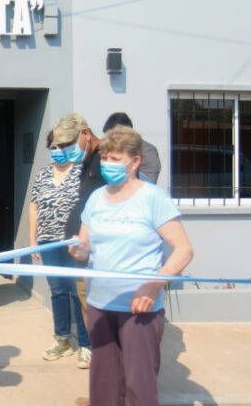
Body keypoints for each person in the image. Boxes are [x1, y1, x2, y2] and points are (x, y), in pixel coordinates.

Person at [69, 126, 193, 406]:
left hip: (140, 307)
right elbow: (85, 246)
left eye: (115, 158)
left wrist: (152, 286)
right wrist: (78, 250)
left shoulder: (152, 198)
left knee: (140, 385)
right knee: (103, 385)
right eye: (104, 158)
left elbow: (183, 250)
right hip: (100, 304)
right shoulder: (97, 198)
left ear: (135, 161)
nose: (107, 164)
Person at [28, 131, 91, 369]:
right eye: (53, 146)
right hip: (48, 242)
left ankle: (86, 344)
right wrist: (33, 240)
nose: (57, 151)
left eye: (62, 146)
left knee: (78, 292)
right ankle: (62, 339)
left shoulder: (81, 172)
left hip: (74, 243)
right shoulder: (43, 174)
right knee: (57, 291)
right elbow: (34, 207)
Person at [55, 113, 105, 329]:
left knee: (100, 318)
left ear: (85, 134)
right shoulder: (88, 161)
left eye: (69, 143)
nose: (66, 150)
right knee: (90, 314)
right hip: (83, 253)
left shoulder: (106, 160)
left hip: (99, 257)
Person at [102, 112, 161, 184]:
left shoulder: (147, 152)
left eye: (114, 136)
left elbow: (149, 182)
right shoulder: (108, 151)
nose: (110, 140)